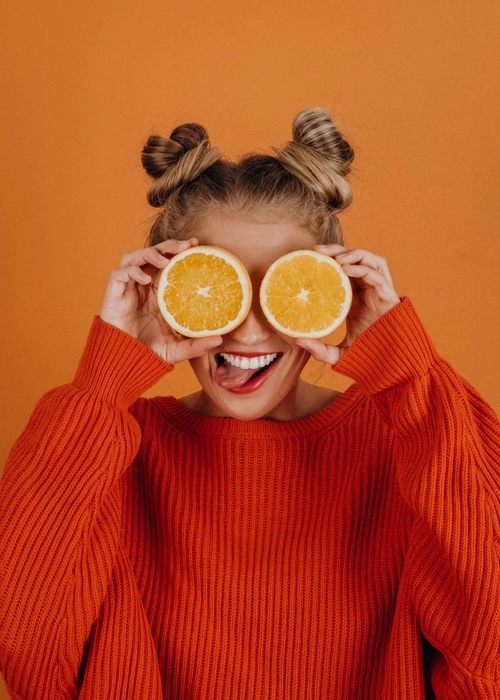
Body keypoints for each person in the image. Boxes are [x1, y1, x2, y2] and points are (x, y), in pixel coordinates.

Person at [1, 108, 499, 699]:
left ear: (334, 293)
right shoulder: (106, 452)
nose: (251, 333)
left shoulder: (410, 438)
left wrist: (408, 375)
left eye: (284, 288)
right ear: (161, 294)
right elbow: (31, 656)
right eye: (216, 287)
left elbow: (485, 656)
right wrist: (101, 385)